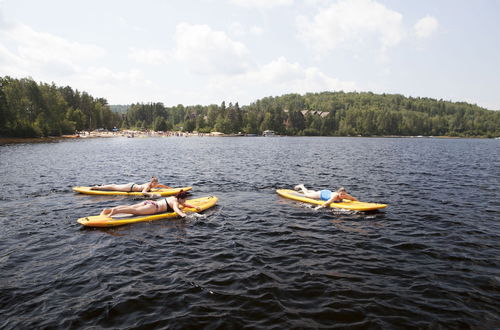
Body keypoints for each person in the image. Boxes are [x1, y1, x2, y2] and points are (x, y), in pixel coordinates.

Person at [100, 190, 201, 218]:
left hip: (149, 202)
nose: (185, 202)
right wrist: (183, 215)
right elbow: (176, 209)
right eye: (185, 200)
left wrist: (194, 206)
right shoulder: (175, 202)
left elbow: (184, 205)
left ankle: (108, 210)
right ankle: (116, 211)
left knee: (131, 207)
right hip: (153, 208)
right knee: (133, 211)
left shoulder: (173, 198)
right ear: (181, 198)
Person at [294, 184, 358, 209]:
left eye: (344, 194)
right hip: (321, 194)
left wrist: (359, 203)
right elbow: (326, 203)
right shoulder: (335, 197)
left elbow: (354, 199)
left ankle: (311, 191)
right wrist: (317, 208)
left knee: (312, 193)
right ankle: (301, 186)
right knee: (306, 195)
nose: (343, 196)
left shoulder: (346, 196)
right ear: (338, 193)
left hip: (327, 192)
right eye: (341, 194)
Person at [90, 176, 172, 194]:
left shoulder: (154, 184)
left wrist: (170, 188)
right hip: (130, 188)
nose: (156, 185)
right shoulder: (147, 186)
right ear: (152, 182)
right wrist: (153, 195)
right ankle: (97, 187)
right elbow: (143, 193)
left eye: (156, 183)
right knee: (114, 187)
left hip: (133, 185)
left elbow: (162, 186)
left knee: (114, 185)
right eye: (155, 183)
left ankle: (103, 185)